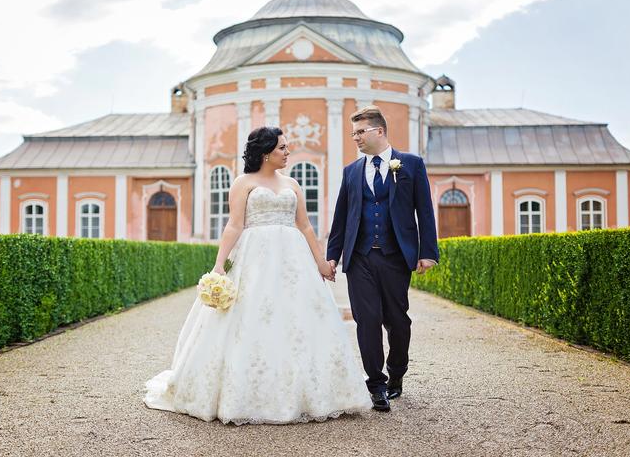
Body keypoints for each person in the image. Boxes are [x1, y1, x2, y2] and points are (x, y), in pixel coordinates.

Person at [143, 126, 371, 425]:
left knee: (299, 319)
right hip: (255, 257)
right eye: (282, 148)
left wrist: (320, 263)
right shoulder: (244, 183)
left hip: (293, 259)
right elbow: (234, 225)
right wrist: (219, 265)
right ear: (265, 153)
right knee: (250, 317)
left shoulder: (292, 183)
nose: (287, 152)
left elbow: (305, 226)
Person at [327, 105, 439, 412]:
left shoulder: (411, 164)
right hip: (359, 257)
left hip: (395, 257)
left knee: (397, 320)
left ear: (379, 131)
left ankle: (396, 372)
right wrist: (332, 257)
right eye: (353, 133)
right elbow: (341, 217)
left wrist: (428, 252)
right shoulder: (351, 172)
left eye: (360, 132)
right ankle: (375, 384)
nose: (355, 138)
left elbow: (424, 211)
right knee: (367, 321)